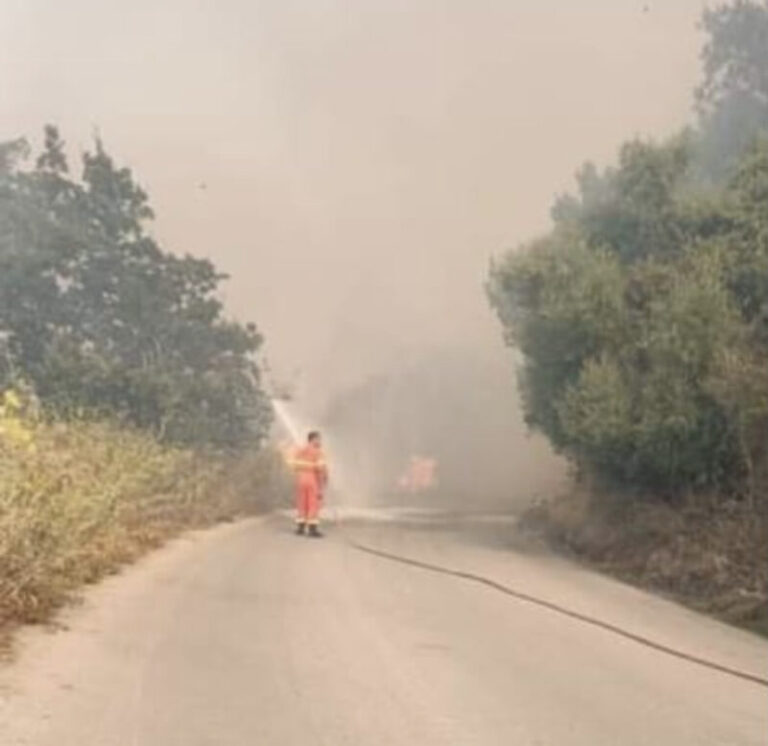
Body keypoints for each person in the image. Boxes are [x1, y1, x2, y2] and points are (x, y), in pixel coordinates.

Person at [291, 430, 328, 537]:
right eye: (318, 439)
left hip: (300, 478)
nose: (320, 441)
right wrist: (322, 483)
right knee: (313, 504)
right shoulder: (317, 452)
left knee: (302, 503)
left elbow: (294, 465)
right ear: (313, 439)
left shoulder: (300, 450)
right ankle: (312, 530)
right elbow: (320, 469)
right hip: (312, 479)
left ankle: (300, 528)